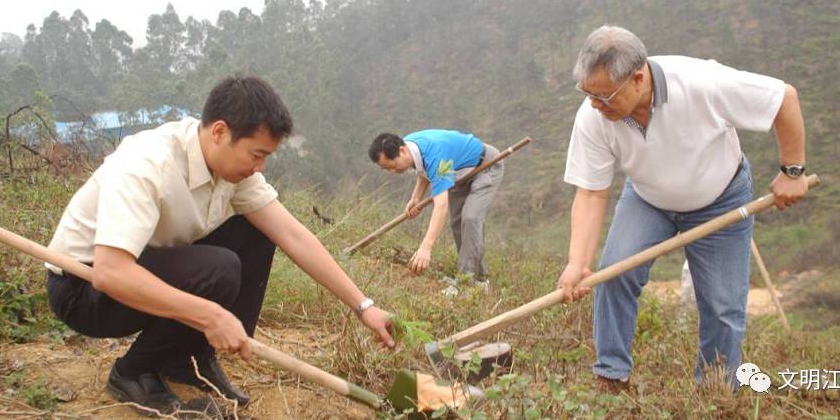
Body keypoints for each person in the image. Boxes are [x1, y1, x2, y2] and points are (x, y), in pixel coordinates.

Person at [45, 76, 395, 416]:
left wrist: (364, 306)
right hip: (85, 289)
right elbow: (110, 273)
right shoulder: (148, 163)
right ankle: (133, 372)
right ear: (219, 132)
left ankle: (187, 359)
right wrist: (208, 314)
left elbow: (293, 235)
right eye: (256, 154)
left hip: (145, 267)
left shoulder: (232, 170)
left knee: (257, 232)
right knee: (219, 269)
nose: (260, 167)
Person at [556, 25, 809, 392]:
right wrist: (577, 262)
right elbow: (592, 193)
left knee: (722, 306)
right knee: (612, 274)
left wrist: (793, 170)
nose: (594, 104)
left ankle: (715, 392)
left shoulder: (701, 82)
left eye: (604, 96)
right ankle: (611, 377)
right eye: (588, 94)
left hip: (720, 197)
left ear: (638, 78)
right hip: (649, 199)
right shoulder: (594, 114)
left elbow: (784, 98)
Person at [368, 130, 504, 283]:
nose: (392, 172)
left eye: (393, 166)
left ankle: (467, 283)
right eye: (386, 169)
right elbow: (424, 168)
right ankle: (477, 278)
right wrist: (416, 197)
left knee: (471, 218)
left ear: (402, 150)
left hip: (485, 166)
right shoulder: (410, 146)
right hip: (457, 171)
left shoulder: (436, 156)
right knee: (457, 224)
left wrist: (426, 247)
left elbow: (441, 206)